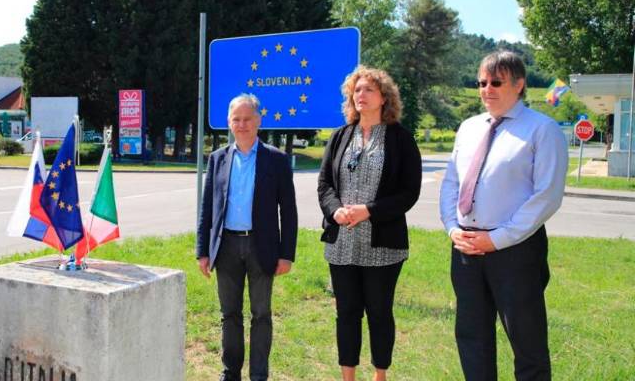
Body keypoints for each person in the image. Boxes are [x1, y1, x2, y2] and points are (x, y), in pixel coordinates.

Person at [439, 51, 568, 380]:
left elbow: (547, 196)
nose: (486, 89)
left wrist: (497, 239)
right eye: (481, 83)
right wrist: (452, 228)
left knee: (527, 341)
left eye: (496, 82)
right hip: (466, 247)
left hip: (516, 250)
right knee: (471, 337)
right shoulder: (468, 128)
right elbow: (452, 182)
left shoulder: (542, 129)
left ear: (519, 84)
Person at [317, 65, 422, 381]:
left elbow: (409, 192)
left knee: (379, 312)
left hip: (383, 245)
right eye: (357, 90)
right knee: (346, 312)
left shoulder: (401, 139)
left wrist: (370, 211)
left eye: (369, 90)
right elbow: (325, 184)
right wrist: (335, 211)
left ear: (384, 97)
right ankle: (347, 375)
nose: (361, 95)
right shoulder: (340, 136)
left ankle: (380, 374)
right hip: (342, 243)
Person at [196, 93, 298, 381]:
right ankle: (231, 373)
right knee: (229, 314)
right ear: (229, 123)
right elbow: (207, 208)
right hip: (226, 246)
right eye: (236, 119)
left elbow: (288, 211)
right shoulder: (217, 159)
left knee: (261, 314)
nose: (242, 125)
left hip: (261, 247)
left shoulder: (276, 160)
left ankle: (258, 375)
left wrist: (286, 254)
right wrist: (202, 250)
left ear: (258, 121)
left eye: (247, 119)